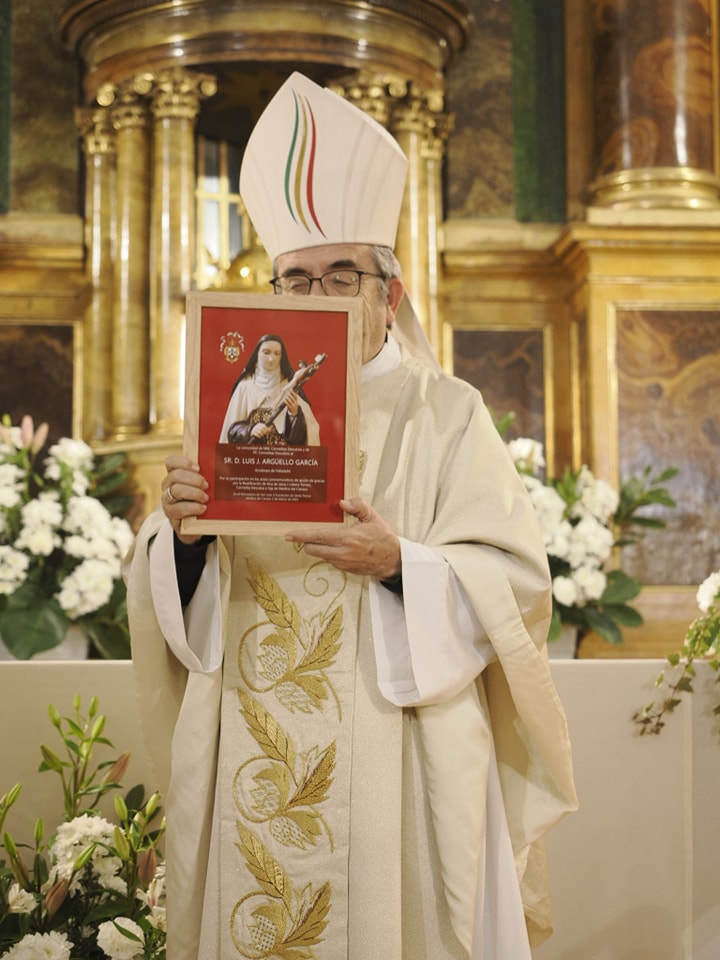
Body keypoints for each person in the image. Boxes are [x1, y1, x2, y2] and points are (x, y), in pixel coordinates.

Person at [125, 72, 577, 960]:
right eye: (295, 277)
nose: (317, 293)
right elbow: (176, 604)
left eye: (343, 274)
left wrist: (402, 559)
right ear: (270, 292)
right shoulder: (225, 410)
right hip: (250, 738)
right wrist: (178, 542)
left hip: (396, 749)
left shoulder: (448, 412)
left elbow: (517, 583)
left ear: (389, 296)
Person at [218, 333, 321, 445]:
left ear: (282, 357)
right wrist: (250, 430)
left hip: (282, 459)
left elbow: (308, 433)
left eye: (277, 354)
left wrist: (294, 414)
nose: (271, 359)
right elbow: (231, 431)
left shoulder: (290, 388)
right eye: (266, 353)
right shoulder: (245, 387)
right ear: (257, 354)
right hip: (251, 459)